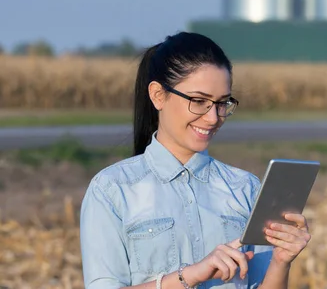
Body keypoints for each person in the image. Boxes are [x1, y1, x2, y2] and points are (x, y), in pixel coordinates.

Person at [80, 32, 311, 289]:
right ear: (158, 95)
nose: (213, 117)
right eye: (199, 101)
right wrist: (190, 275)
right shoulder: (112, 190)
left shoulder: (246, 188)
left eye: (222, 103)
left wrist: (281, 261)